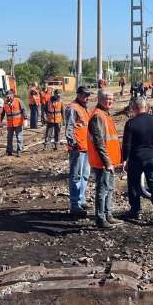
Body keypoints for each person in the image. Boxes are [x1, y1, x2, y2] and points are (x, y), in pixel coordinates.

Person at [122, 96, 153, 221]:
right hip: (152, 156)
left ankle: (136, 210)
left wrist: (124, 159)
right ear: (146, 107)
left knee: (133, 184)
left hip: (136, 158)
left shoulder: (130, 123)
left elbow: (127, 144)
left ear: (133, 109)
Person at [87, 88, 123, 229]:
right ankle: (100, 219)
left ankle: (108, 215)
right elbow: (99, 142)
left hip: (109, 161)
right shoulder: (98, 116)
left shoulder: (105, 114)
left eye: (112, 99)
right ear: (100, 99)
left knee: (109, 188)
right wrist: (107, 162)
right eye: (108, 99)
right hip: (102, 162)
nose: (110, 102)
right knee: (102, 190)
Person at [65, 86, 93, 217]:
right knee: (75, 176)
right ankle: (74, 204)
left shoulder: (85, 108)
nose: (87, 98)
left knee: (85, 175)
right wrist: (74, 146)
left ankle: (81, 199)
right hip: (78, 149)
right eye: (85, 95)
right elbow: (69, 129)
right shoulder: (73, 108)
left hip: (87, 148)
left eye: (88, 95)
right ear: (78, 95)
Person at [3, 89, 27, 156]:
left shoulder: (18, 101)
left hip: (18, 123)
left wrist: (25, 119)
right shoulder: (5, 102)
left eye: (9, 96)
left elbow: (24, 110)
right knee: (9, 138)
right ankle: (9, 151)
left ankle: (19, 150)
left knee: (19, 137)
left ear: (12, 95)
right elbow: (2, 113)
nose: (8, 98)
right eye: (7, 96)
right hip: (10, 124)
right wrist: (0, 122)